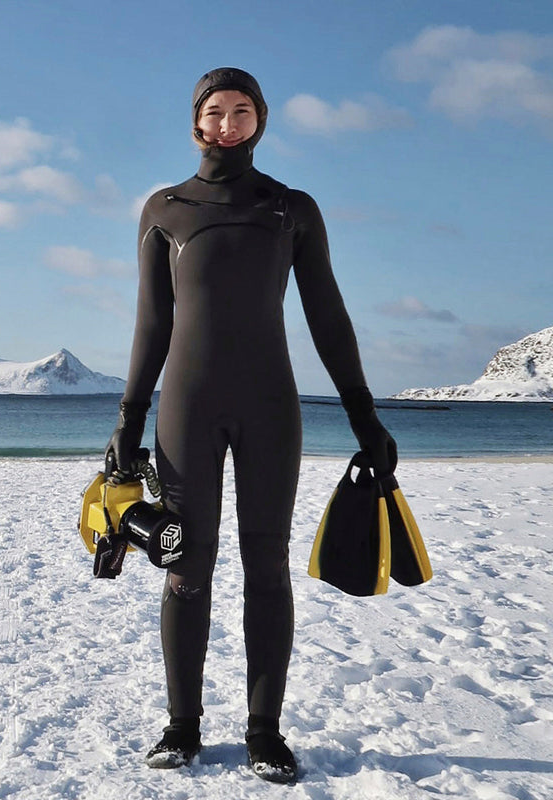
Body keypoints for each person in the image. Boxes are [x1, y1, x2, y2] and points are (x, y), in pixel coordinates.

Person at [105, 67, 397, 784]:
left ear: (260, 121)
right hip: (187, 407)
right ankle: (182, 725)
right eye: (216, 111)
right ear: (196, 123)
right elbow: (153, 323)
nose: (229, 123)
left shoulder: (290, 208)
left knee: (266, 566)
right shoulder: (165, 209)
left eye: (243, 111)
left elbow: (327, 312)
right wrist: (128, 418)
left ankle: (265, 731)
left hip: (271, 406)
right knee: (183, 565)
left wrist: (364, 412)